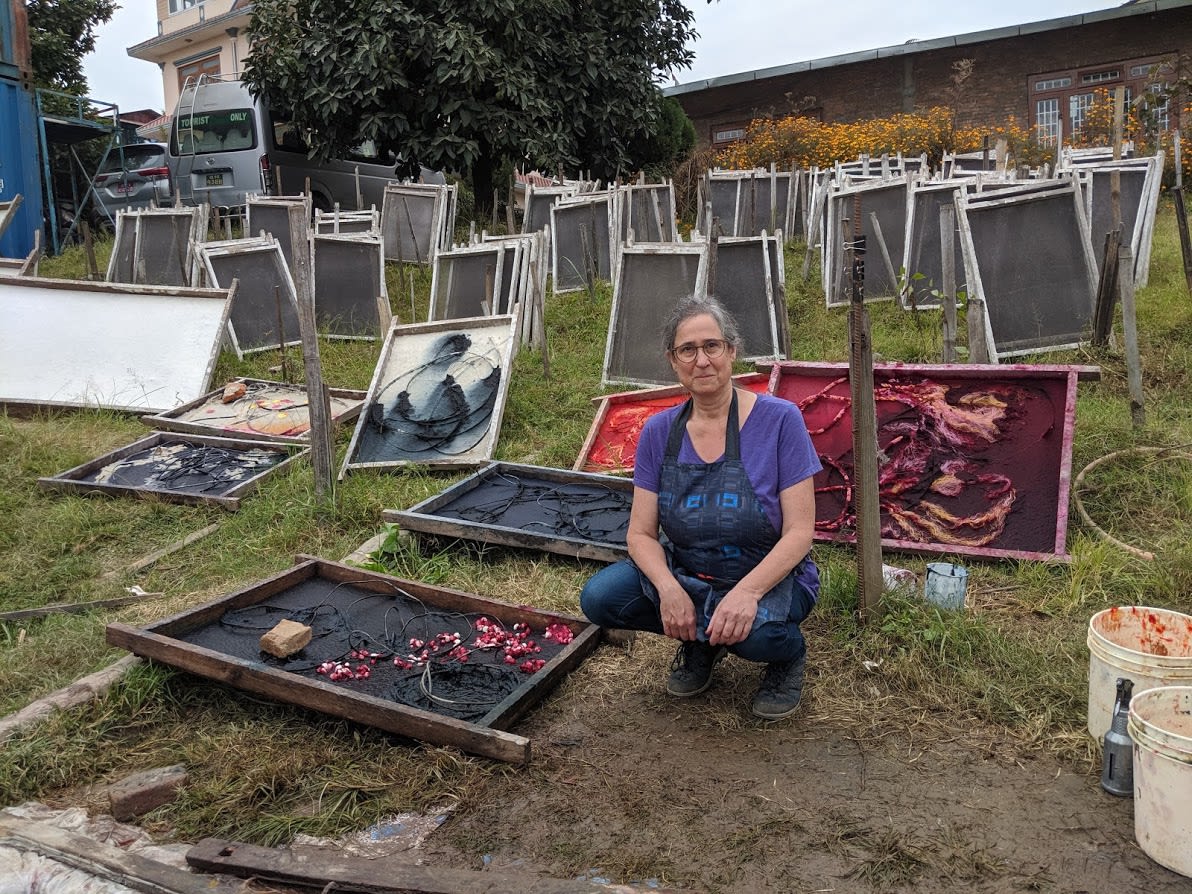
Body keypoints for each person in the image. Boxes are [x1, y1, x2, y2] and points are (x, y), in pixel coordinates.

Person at [580, 296, 821, 720]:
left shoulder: (781, 420)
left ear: (731, 351)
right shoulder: (659, 432)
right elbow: (639, 534)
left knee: (755, 639)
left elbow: (801, 532)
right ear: (673, 361)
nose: (702, 360)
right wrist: (671, 591)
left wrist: (746, 593)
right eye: (687, 350)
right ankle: (701, 642)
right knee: (601, 598)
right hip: (692, 573)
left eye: (712, 346)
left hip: (769, 577)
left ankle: (786, 658)